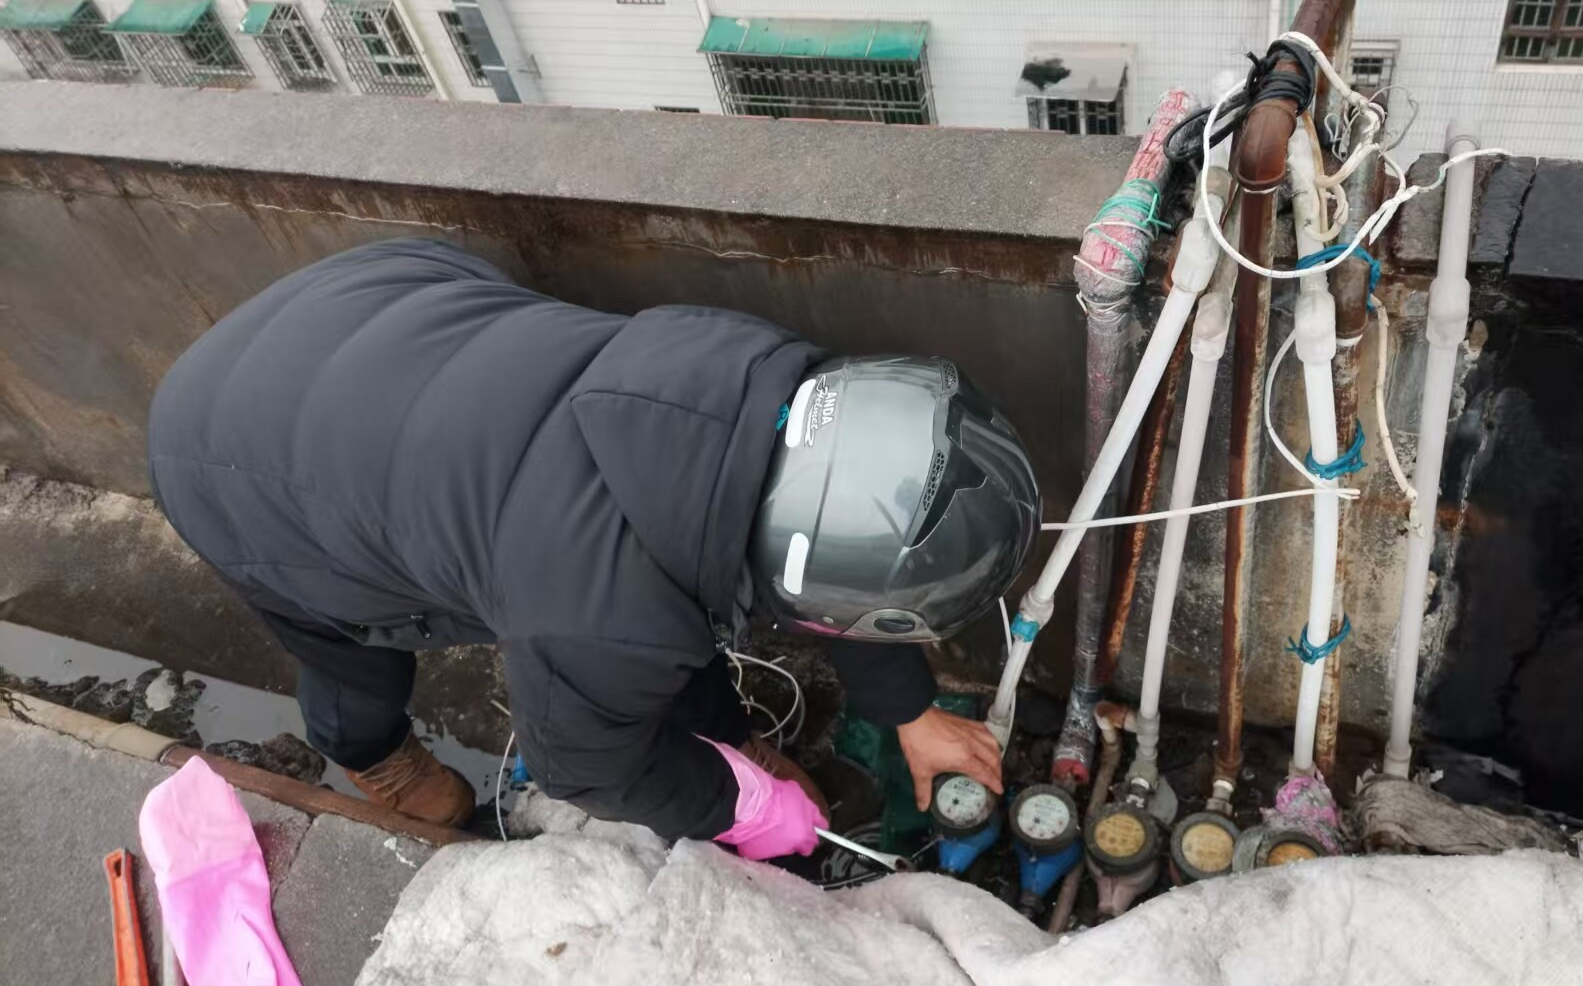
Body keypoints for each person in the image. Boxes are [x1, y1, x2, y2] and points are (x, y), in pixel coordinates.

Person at [147, 239, 1039, 859]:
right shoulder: (595, 617)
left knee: (659, 606)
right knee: (353, 649)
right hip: (232, 458)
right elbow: (582, 760)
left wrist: (908, 709)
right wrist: (737, 804)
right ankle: (369, 751)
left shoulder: (755, 369)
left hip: (376, 301)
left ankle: (719, 736)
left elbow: (772, 556)